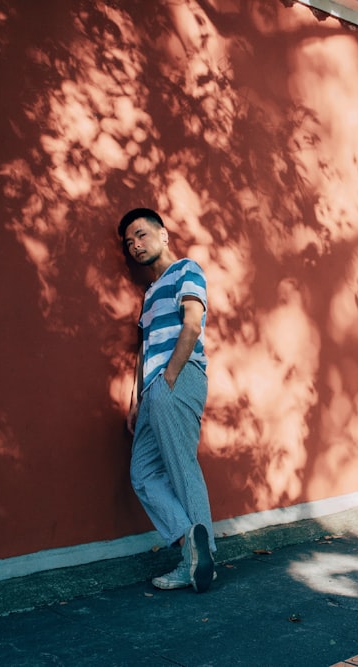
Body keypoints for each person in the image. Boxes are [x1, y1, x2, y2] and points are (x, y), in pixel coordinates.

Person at [118, 207, 216, 593]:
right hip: (152, 389)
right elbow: (144, 350)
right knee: (142, 473)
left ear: (163, 235)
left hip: (177, 377)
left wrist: (170, 376)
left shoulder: (186, 270)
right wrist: (135, 399)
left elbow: (192, 322)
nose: (135, 246)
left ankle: (198, 563)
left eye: (140, 235)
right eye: (129, 243)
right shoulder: (149, 293)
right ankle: (191, 544)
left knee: (181, 467)